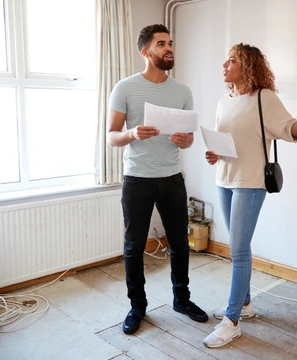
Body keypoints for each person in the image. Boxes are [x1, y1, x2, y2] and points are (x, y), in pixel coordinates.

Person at [202, 43, 297, 348]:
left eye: (232, 60)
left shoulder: (264, 98)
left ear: (247, 67)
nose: (225, 64)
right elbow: (229, 141)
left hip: (250, 182)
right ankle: (245, 304)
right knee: (238, 246)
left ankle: (232, 321)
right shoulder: (224, 101)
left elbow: (289, 130)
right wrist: (214, 154)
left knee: (238, 250)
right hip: (224, 179)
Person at [107, 24, 208, 335]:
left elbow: (189, 139)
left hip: (172, 178)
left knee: (180, 244)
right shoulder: (124, 88)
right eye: (161, 43)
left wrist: (184, 141)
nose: (169, 48)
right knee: (134, 246)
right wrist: (132, 133)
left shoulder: (182, 92)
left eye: (170, 43)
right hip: (137, 180)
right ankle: (137, 306)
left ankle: (182, 299)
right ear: (145, 51)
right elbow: (112, 136)